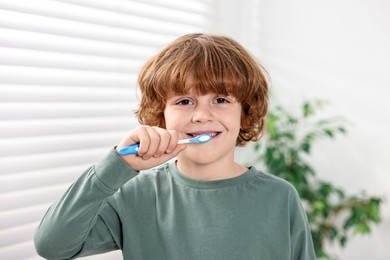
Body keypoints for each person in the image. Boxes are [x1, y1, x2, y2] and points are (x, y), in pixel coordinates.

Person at [34, 33, 316, 260]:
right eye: (184, 101)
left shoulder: (280, 197)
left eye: (221, 100)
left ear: (245, 113)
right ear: (161, 114)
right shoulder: (135, 196)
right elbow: (52, 246)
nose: (202, 115)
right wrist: (116, 165)